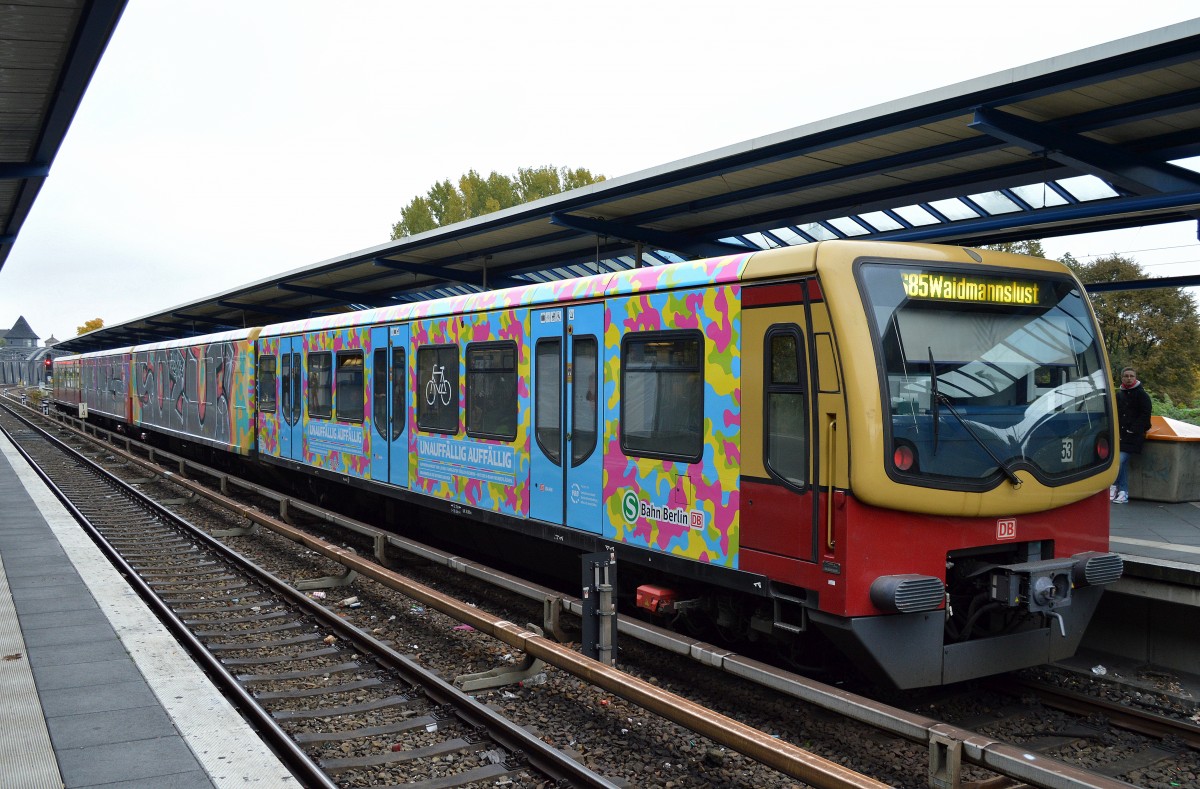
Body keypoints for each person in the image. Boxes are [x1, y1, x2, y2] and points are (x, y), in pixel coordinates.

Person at [1113, 366, 1152, 504]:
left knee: (1119, 461)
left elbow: (1145, 415)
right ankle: (1122, 492)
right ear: (1122, 378)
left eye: (1131, 376)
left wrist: (1133, 430)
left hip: (1133, 437)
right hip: (1121, 436)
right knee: (1120, 463)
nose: (1129, 378)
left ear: (1135, 378)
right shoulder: (1119, 395)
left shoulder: (1142, 395)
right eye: (1126, 376)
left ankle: (1116, 488)